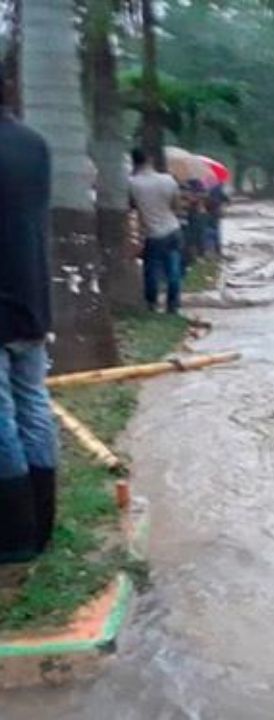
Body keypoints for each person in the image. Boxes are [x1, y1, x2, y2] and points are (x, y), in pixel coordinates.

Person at [0, 109, 60, 563]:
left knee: (2, 421)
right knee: (33, 408)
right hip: (32, 298)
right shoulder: (34, 142)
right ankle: (43, 525)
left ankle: (14, 538)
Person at [128, 148, 184, 313]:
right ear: (150, 160)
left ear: (134, 162)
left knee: (151, 272)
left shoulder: (132, 184)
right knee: (173, 271)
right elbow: (177, 207)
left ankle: (151, 304)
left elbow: (131, 206)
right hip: (172, 230)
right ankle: (172, 306)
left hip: (152, 234)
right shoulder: (168, 180)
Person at [205, 182, 230, 257]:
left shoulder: (208, 186)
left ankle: (211, 250)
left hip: (207, 212)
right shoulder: (217, 188)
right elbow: (226, 199)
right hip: (214, 212)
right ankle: (216, 250)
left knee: (209, 231)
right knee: (215, 231)